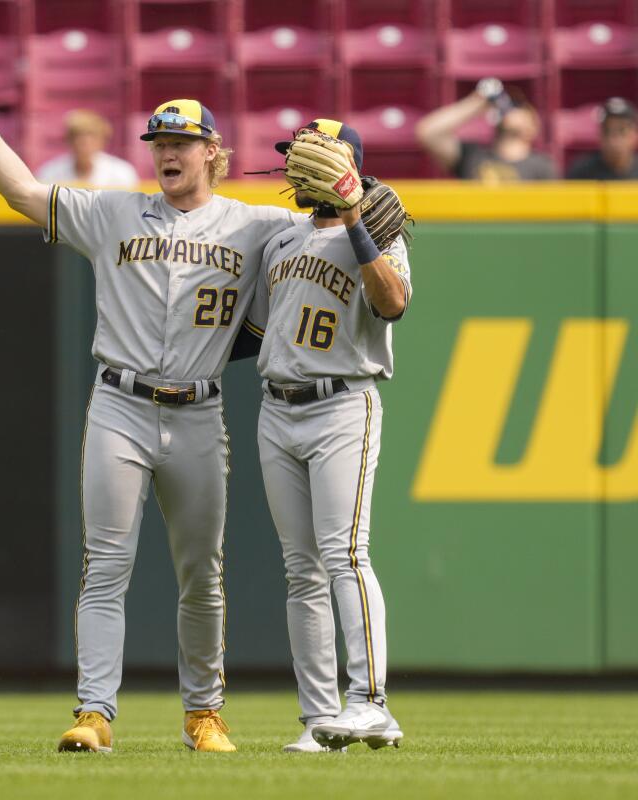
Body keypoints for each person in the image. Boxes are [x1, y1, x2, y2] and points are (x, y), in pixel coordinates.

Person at [0, 58, 300, 754]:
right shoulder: (114, 210)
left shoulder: (255, 225)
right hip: (121, 407)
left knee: (202, 572)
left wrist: (352, 197)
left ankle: (204, 713)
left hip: (198, 412)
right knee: (105, 566)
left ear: (213, 152)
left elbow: (320, 240)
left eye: (182, 142)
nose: (167, 152)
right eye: (159, 142)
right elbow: (20, 190)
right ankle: (95, 713)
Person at [252, 120, 409, 753]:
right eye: (294, 156)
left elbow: (393, 303)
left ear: (347, 164)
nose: (299, 166)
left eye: (314, 157)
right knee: (301, 571)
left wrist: (354, 218)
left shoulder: (380, 227)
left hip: (343, 402)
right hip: (277, 407)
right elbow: (260, 330)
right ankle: (321, 719)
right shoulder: (279, 236)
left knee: (346, 553)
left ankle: (371, 703)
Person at [415, 78, 556, 182]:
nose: (509, 108)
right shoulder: (473, 155)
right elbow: (428, 133)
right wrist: (478, 101)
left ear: (532, 128)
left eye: (517, 106)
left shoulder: (542, 166)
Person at [36, 109, 139, 188]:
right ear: (68, 140)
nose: (84, 142)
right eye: (77, 136)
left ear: (103, 140)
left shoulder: (122, 172)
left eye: (92, 136)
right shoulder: (49, 172)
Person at [566, 97, 638, 180]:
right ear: (599, 135)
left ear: (634, 135)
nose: (614, 138)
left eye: (622, 131)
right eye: (607, 131)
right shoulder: (581, 172)